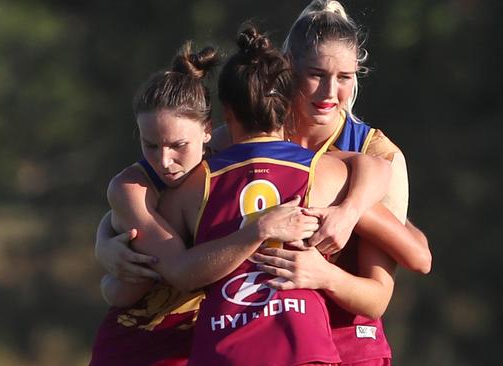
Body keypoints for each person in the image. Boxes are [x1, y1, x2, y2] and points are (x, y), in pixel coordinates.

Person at [151, 25, 395, 365]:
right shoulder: (325, 172)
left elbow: (174, 269)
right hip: (304, 351)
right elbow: (381, 169)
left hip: (226, 352)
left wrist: (108, 239)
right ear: (287, 104)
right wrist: (350, 211)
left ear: (226, 113)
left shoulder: (194, 184)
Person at [89, 41, 324, 366]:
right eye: (150, 145)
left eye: (177, 145)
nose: (164, 160)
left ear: (208, 130)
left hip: (200, 344)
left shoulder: (230, 152)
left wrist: (350, 207)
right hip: (137, 347)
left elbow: (367, 165)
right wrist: (261, 228)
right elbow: (177, 274)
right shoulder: (132, 187)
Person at [256, 1, 432, 365]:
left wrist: (326, 269)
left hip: (347, 343)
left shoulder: (378, 153)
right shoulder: (253, 135)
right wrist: (110, 238)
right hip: (262, 337)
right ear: (288, 66)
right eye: (316, 74)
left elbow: (394, 281)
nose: (330, 92)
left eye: (345, 77)